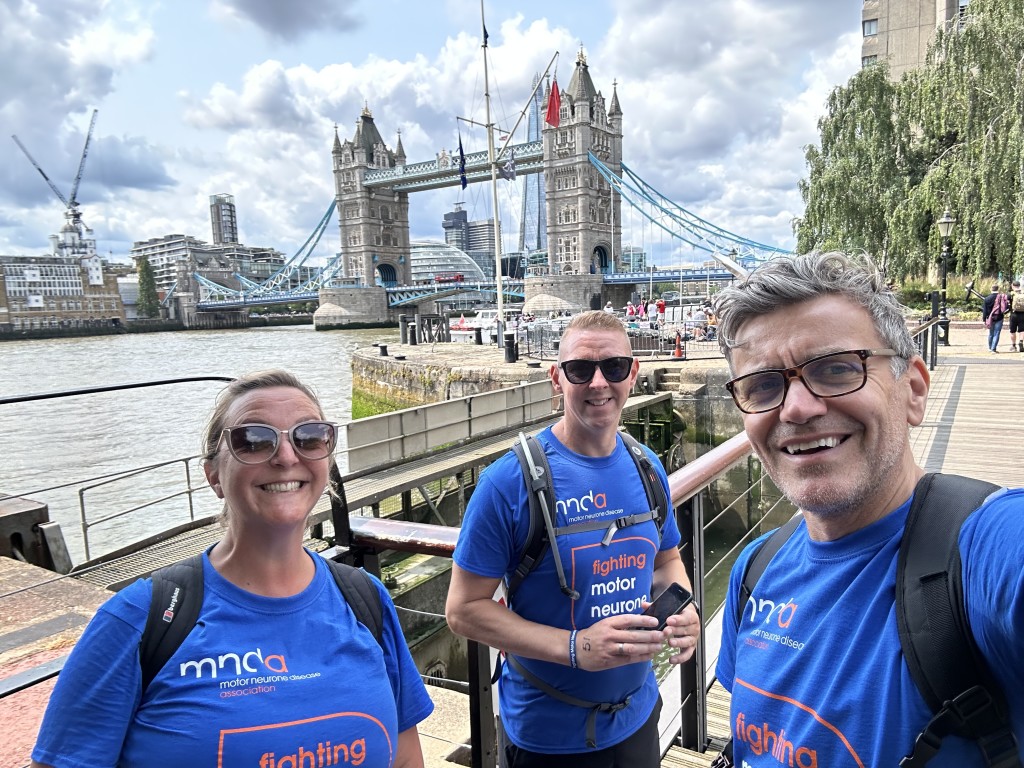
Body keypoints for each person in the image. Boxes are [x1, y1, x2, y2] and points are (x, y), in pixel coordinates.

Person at [712, 252, 1024, 766]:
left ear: (914, 391)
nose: (796, 408)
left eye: (836, 370)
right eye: (764, 385)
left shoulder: (984, 553)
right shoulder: (755, 570)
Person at [31, 370, 434, 768]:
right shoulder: (140, 620)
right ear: (213, 476)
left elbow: (403, 758)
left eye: (309, 437)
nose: (286, 457)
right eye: (253, 441)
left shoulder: (363, 598)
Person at [446, 310, 700, 768]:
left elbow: (665, 563)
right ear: (556, 379)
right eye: (581, 369)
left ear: (633, 374)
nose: (599, 383)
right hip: (547, 737)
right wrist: (575, 648)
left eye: (615, 367)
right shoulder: (508, 483)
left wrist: (684, 607)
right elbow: (463, 610)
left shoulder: (647, 468)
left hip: (638, 717)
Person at [982, 283, 1009, 353]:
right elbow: (1006, 307)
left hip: (990, 318)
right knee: (997, 333)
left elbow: (984, 310)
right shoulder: (1001, 297)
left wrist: (984, 319)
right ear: (998, 289)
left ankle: (990, 347)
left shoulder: (987, 299)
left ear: (991, 289)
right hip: (999, 317)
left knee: (991, 333)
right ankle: (993, 348)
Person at [1009, 280, 1024, 352]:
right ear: (1019, 286)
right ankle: (1021, 342)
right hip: (1022, 314)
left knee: (1012, 331)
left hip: (1013, 314)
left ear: (1012, 286)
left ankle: (1013, 345)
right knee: (1022, 330)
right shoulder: (1023, 293)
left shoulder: (1010, 294)